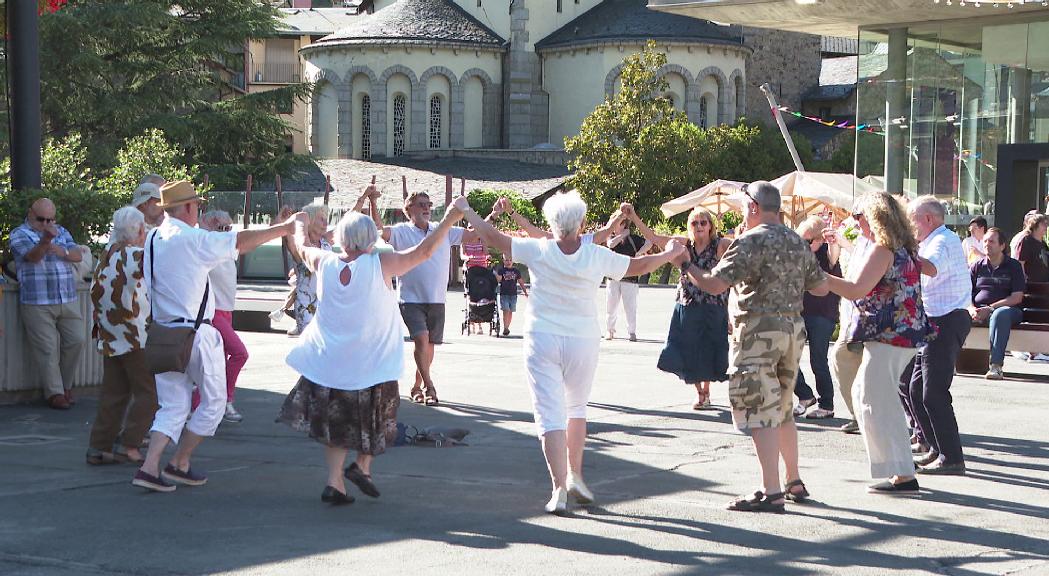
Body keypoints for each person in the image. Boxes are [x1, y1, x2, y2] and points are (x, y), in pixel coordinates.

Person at [452, 191, 684, 515]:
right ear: (582, 223)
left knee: (549, 413)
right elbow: (637, 266)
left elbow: (492, 237)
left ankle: (558, 488)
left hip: (542, 337)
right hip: (582, 338)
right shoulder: (594, 254)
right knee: (576, 408)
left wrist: (466, 210)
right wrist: (669, 254)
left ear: (550, 223)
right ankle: (575, 475)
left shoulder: (539, 249)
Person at [278, 205, 463, 505]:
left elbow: (301, 247)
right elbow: (425, 252)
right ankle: (361, 467)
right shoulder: (380, 263)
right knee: (379, 421)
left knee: (336, 427)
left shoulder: (325, 261)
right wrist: (449, 221)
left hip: (332, 364)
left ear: (342, 237)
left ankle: (334, 482)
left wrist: (298, 224)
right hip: (373, 365)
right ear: (370, 239)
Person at [131, 180, 300, 493]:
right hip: (196, 333)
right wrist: (284, 228)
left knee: (172, 406)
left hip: (164, 333)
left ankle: (149, 466)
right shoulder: (192, 239)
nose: (199, 210)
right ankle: (179, 462)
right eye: (197, 205)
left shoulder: (154, 238)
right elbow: (241, 242)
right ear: (187, 207)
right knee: (214, 403)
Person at [668, 182, 827, 513]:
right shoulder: (796, 241)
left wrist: (685, 263)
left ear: (754, 206)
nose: (742, 211)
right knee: (783, 406)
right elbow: (820, 288)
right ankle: (792, 480)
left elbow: (713, 284)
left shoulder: (749, 241)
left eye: (744, 206)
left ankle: (771, 491)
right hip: (791, 332)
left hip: (757, 334)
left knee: (757, 408)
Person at [824, 191, 931, 495]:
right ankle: (897, 469)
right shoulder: (904, 248)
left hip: (890, 334)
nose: (859, 224)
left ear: (877, 219)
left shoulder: (883, 249)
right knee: (866, 396)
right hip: (902, 333)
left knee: (876, 402)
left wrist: (819, 276)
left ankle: (902, 473)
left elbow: (857, 289)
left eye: (863, 218)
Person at [377, 192, 491, 406]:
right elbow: (379, 231)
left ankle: (417, 386)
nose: (426, 208)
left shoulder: (443, 230)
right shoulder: (401, 231)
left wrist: (490, 214)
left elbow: (474, 235)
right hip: (410, 299)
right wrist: (373, 202)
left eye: (429, 204)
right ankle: (430, 386)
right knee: (421, 339)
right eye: (421, 205)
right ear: (408, 209)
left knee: (428, 346)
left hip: (437, 298)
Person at [626, 204, 731, 410]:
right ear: (689, 226)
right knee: (688, 348)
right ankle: (699, 392)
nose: (699, 226)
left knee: (709, 348)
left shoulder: (721, 245)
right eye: (694, 222)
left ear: (711, 225)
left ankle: (706, 391)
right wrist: (634, 217)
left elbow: (742, 253)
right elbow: (654, 237)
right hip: (688, 303)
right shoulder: (683, 245)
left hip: (713, 304)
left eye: (703, 222)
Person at [902, 195, 972, 477]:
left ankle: (952, 458)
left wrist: (904, 249)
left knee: (933, 392)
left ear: (928, 219)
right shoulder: (932, 241)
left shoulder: (944, 240)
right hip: (934, 321)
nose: (910, 225)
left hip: (946, 320)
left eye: (912, 219)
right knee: (916, 390)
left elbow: (930, 267)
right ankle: (936, 448)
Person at [86, 207, 157, 465]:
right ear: (139, 230)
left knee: (113, 393)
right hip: (134, 334)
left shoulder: (108, 252)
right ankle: (129, 443)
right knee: (150, 394)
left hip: (108, 331)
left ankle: (99, 446)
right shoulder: (137, 255)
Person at [8, 197, 86, 410]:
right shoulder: (18, 234)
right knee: (47, 349)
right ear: (31, 214)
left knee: (77, 340)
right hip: (37, 300)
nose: (46, 224)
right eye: (41, 219)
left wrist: (64, 252)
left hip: (66, 297)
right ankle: (56, 393)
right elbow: (32, 257)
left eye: (50, 220)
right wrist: (45, 241)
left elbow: (78, 255)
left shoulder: (62, 230)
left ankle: (65, 386)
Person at [188, 210, 249, 423]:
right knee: (240, 354)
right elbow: (200, 235)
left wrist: (280, 224)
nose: (225, 233)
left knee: (218, 361)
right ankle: (225, 401)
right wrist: (208, 227)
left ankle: (199, 407)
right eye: (222, 228)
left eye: (228, 229)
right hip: (212, 312)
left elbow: (245, 243)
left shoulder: (222, 247)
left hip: (225, 310)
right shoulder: (204, 245)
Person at [792, 216, 842, 419]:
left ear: (819, 240)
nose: (802, 245)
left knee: (818, 360)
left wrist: (832, 241)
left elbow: (833, 256)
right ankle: (804, 395)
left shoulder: (827, 254)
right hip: (800, 312)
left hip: (822, 314)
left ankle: (827, 404)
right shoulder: (799, 255)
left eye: (807, 241)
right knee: (787, 357)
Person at [969, 227, 1025, 380]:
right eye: (985, 241)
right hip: (979, 311)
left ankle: (996, 366)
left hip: (1009, 311)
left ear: (1002, 246)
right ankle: (949, 364)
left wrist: (990, 308)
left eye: (992, 241)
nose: (987, 244)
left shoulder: (1013, 266)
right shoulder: (977, 266)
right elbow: (965, 294)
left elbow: (1017, 297)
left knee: (1000, 315)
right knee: (955, 315)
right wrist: (972, 308)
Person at [288, 203, 333, 337]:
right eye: (321, 218)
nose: (326, 222)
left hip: (326, 303)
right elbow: (285, 231)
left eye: (326, 218)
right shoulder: (299, 246)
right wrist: (287, 220)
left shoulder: (326, 242)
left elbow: (347, 222)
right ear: (310, 220)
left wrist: (363, 199)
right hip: (306, 305)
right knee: (310, 347)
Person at [604, 218, 652, 341]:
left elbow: (649, 243)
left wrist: (639, 253)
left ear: (624, 224)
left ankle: (631, 331)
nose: (615, 226)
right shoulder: (611, 237)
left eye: (618, 223)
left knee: (630, 307)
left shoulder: (633, 239)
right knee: (611, 306)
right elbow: (611, 244)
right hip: (613, 277)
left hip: (630, 278)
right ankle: (610, 330)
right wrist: (622, 235)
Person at [494, 255, 528, 336]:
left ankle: (507, 327)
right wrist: (496, 274)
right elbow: (498, 280)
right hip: (504, 294)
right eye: (506, 260)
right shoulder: (501, 270)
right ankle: (505, 328)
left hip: (513, 294)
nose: (508, 262)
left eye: (510, 260)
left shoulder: (516, 271)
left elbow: (520, 282)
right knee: (506, 310)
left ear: (513, 261)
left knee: (511, 311)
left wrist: (525, 292)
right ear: (503, 260)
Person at [1016, 214, 1048, 283]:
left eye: (1046, 224)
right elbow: (1020, 263)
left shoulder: (1043, 244)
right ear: (1034, 225)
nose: (1046, 226)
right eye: (1043, 224)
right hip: (1031, 285)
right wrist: (1022, 281)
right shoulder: (1027, 241)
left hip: (1044, 284)